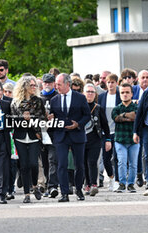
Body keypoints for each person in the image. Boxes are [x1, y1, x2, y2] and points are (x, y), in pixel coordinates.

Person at [49, 73, 91, 202]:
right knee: (62, 164)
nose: (56, 86)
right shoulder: (54, 100)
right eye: (56, 84)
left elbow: (87, 115)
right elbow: (53, 118)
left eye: (59, 84)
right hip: (61, 136)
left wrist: (78, 124)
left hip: (77, 134)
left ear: (68, 84)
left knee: (79, 165)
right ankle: (64, 193)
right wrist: (50, 118)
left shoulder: (80, 98)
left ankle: (78, 189)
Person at [10, 74, 45, 203]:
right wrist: (22, 118)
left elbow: (42, 118)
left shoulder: (38, 101)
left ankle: (35, 185)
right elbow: (12, 120)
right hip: (19, 136)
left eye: (35, 85)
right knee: (24, 166)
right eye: (31, 85)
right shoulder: (15, 102)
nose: (34, 87)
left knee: (34, 164)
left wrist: (31, 120)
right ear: (24, 86)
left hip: (34, 135)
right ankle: (26, 194)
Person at [83, 84, 111, 196]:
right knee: (83, 163)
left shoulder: (98, 108)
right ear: (83, 93)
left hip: (95, 139)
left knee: (92, 162)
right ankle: (87, 184)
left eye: (92, 92)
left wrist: (108, 139)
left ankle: (94, 184)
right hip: (82, 139)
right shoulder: (79, 107)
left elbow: (105, 125)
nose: (89, 94)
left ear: (95, 94)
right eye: (88, 92)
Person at [112, 83, 139, 193]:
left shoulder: (137, 107)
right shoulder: (116, 108)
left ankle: (131, 184)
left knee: (133, 163)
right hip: (120, 139)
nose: (125, 94)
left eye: (127, 92)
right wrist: (129, 116)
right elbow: (116, 118)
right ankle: (122, 183)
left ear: (132, 94)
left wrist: (123, 115)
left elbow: (136, 116)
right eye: (122, 92)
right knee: (121, 162)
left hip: (134, 139)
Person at [98, 74, 121, 191]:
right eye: (109, 82)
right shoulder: (101, 97)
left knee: (117, 157)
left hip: (118, 132)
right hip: (105, 132)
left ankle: (117, 181)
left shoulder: (120, 96)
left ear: (116, 83)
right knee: (106, 158)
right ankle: (111, 177)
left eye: (113, 82)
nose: (111, 84)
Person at [40, 73, 59, 198]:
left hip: (54, 133)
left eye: (50, 82)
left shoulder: (57, 97)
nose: (47, 84)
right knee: (44, 161)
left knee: (53, 160)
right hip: (41, 133)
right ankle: (47, 184)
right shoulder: (38, 97)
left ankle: (53, 186)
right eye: (45, 82)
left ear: (54, 84)